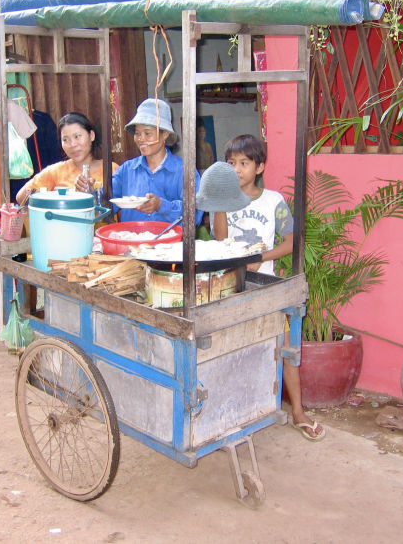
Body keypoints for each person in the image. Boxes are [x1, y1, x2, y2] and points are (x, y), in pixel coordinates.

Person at [212, 134, 325, 441]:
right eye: (231, 163)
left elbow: (291, 243)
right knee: (232, 350)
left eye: (244, 163)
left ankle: (298, 411)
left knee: (285, 347)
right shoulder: (222, 201)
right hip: (230, 287)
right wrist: (221, 203)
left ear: (259, 167)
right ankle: (234, 413)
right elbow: (220, 241)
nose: (237, 170)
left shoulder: (274, 201)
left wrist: (259, 258)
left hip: (266, 287)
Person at [111, 98, 202, 224]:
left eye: (148, 133)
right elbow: (105, 204)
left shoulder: (184, 171)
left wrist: (161, 206)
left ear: (165, 134)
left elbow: (195, 214)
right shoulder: (126, 170)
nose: (141, 139)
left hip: (170, 237)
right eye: (137, 133)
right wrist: (90, 191)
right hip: (131, 236)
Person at [15, 112, 117, 205]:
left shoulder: (111, 169)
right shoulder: (55, 172)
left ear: (91, 135)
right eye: (65, 140)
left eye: (77, 136)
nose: (72, 144)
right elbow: (21, 198)